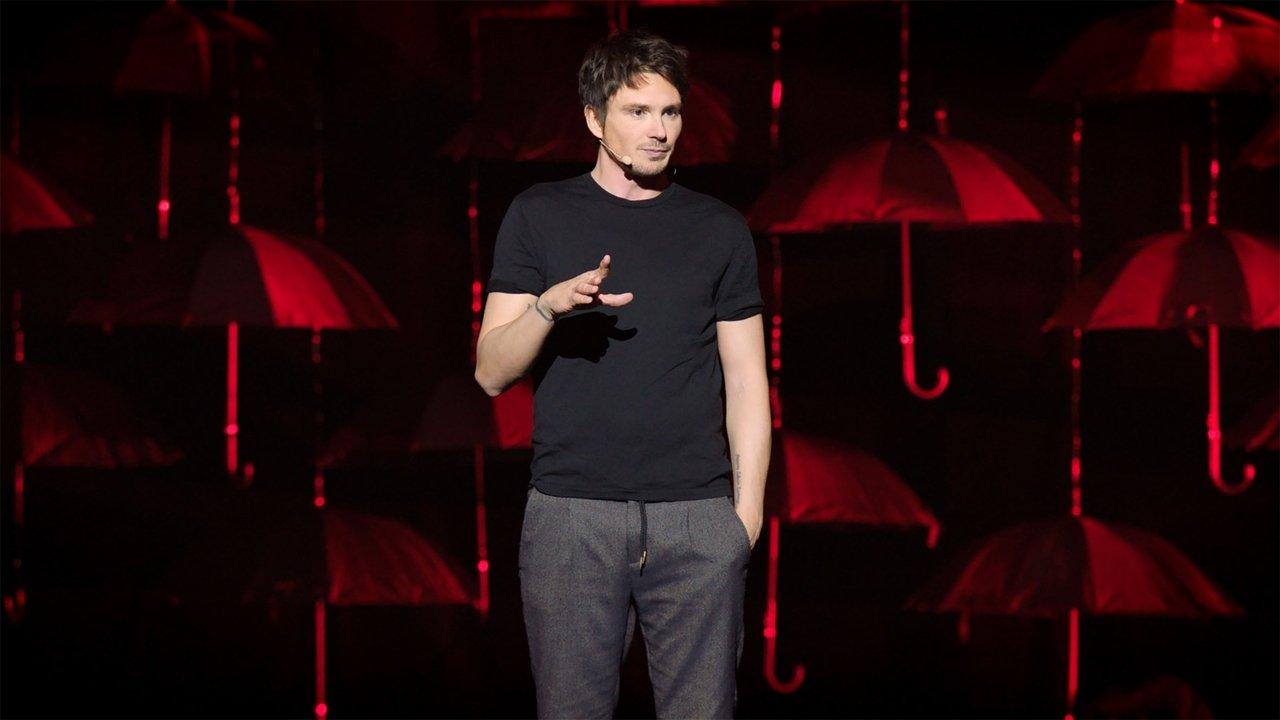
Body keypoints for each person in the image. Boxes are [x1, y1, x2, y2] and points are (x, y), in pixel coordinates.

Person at [474, 29, 770, 720]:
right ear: (594, 118)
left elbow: (747, 383)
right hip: (572, 514)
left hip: (696, 517)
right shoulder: (540, 215)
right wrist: (549, 306)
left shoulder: (719, 229)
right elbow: (490, 373)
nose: (659, 130)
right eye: (637, 111)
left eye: (670, 111)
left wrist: (745, 521)